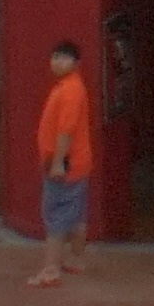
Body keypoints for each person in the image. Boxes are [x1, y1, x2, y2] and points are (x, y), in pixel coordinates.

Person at [27, 40, 97, 286]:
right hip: (77, 163)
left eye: (64, 57)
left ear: (76, 63)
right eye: (55, 56)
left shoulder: (69, 91)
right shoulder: (72, 87)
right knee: (75, 215)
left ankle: (50, 270)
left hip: (65, 164)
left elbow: (65, 131)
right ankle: (76, 260)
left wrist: (57, 163)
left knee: (55, 216)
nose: (57, 61)